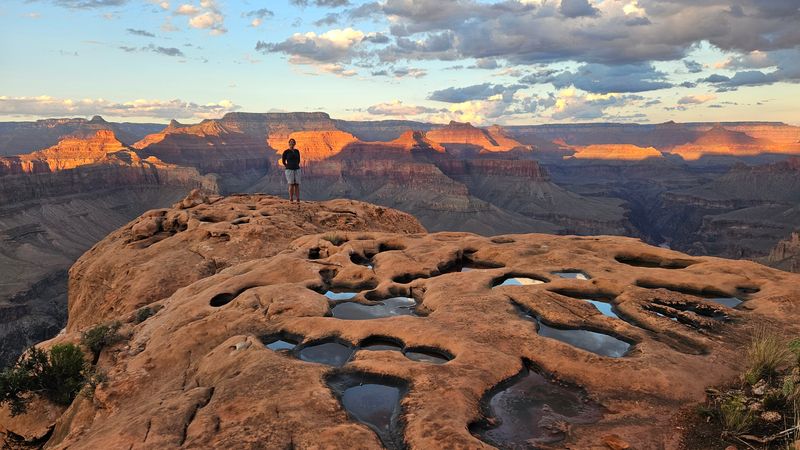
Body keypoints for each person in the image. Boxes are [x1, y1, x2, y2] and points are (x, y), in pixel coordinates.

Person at [282, 138, 301, 202]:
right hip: (289, 170)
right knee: (291, 184)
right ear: (289, 143)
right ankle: (291, 199)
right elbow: (283, 161)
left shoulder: (297, 151)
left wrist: (296, 165)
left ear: (295, 143)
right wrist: (287, 166)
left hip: (297, 169)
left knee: (297, 184)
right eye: (291, 142)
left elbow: (299, 160)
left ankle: (298, 199)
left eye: (293, 142)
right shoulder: (286, 152)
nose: (292, 143)